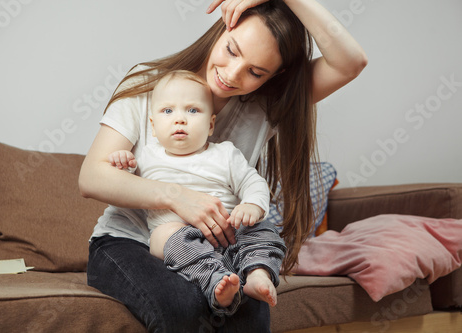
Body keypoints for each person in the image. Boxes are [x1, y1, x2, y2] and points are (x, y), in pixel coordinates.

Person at [79, 0, 367, 331]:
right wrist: (176, 196)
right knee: (182, 304)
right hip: (127, 242)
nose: (232, 74)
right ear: (223, 28)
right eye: (231, 50)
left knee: (249, 303)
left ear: (274, 76)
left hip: (215, 247)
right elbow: (91, 177)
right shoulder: (150, 87)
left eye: (256, 72)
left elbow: (351, 62)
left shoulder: (263, 107)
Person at [108, 70, 286, 316]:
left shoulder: (225, 153)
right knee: (168, 238)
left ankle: (258, 273)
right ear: (153, 125)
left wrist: (252, 206)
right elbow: (123, 186)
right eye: (167, 111)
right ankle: (216, 282)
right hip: (179, 234)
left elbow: (252, 181)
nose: (179, 119)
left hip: (230, 229)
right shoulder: (146, 155)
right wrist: (122, 161)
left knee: (264, 229)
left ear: (211, 123)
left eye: (192, 110)